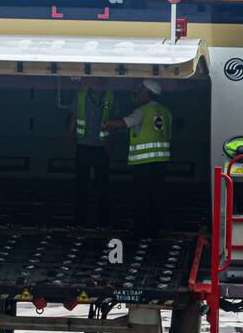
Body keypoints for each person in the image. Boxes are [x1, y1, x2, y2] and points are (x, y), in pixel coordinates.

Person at [106, 79, 172, 237]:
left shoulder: (142, 111)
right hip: (161, 162)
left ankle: (140, 228)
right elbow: (168, 135)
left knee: (141, 195)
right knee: (157, 194)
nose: (138, 94)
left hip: (144, 163)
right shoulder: (166, 112)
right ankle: (157, 227)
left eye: (140, 91)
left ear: (147, 93)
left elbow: (126, 122)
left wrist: (108, 123)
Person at [67, 77, 115, 226]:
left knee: (102, 185)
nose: (98, 83)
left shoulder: (110, 96)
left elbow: (113, 121)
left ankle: (103, 220)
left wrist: (110, 142)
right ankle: (80, 219)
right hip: (83, 145)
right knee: (81, 183)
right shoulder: (81, 95)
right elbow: (74, 117)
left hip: (101, 147)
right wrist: (69, 136)